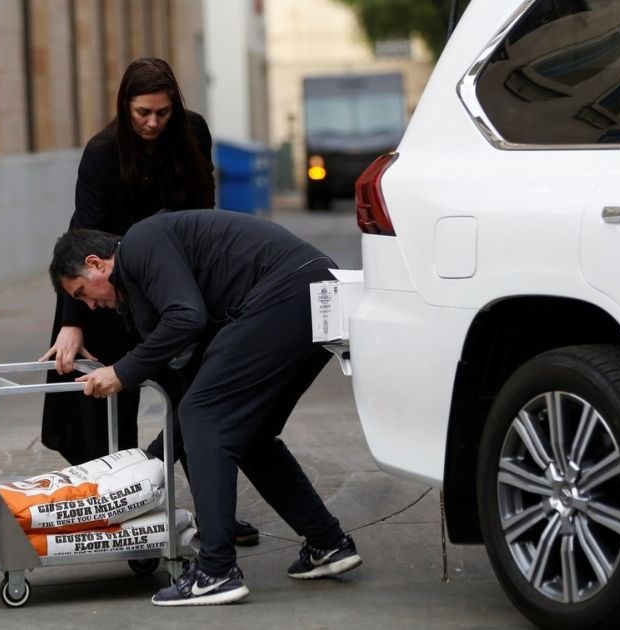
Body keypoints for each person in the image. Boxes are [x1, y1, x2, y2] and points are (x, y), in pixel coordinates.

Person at [48, 209, 363, 606]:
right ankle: (327, 542)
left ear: (96, 264)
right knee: (248, 434)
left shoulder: (141, 243)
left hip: (291, 292)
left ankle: (216, 571)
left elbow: (187, 317)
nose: (90, 307)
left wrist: (123, 371)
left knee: (205, 415)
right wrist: (149, 462)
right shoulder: (147, 279)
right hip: (311, 297)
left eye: (81, 293)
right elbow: (191, 382)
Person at [37, 58, 258, 546]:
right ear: (125, 107)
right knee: (108, 409)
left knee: (197, 402)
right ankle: (117, 517)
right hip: (107, 291)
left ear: (174, 107)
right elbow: (82, 236)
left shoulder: (193, 134)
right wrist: (74, 321)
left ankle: (213, 515)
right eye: (142, 113)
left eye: (161, 112)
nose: (152, 123)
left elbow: (206, 210)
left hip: (178, 291)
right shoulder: (102, 152)